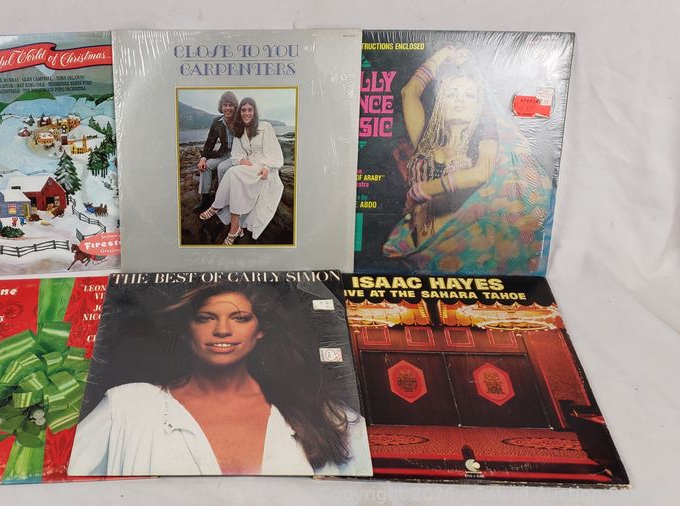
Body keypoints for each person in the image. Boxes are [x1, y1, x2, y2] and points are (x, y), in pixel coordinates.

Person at [66, 284, 370, 476]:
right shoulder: (127, 407)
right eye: (206, 318)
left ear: (260, 330)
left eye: (240, 318)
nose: (222, 330)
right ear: (186, 330)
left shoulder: (326, 414)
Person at [383, 47, 553, 274]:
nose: (459, 101)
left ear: (478, 105)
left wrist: (421, 190)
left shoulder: (485, 141)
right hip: (412, 254)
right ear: (440, 101)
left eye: (469, 95)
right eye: (452, 94)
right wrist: (444, 53)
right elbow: (409, 92)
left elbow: (481, 173)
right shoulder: (423, 139)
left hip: (460, 257)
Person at [199, 98, 285, 245]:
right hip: (248, 166)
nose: (246, 113)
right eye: (243, 110)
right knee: (234, 173)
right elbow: (236, 154)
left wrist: (266, 167)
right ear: (240, 112)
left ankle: (216, 207)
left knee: (233, 173)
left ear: (254, 111)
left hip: (264, 168)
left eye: (250, 110)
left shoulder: (266, 127)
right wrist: (241, 161)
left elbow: (274, 153)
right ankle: (234, 228)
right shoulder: (240, 131)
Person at [193, 91, 238, 213]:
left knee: (221, 168)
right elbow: (210, 141)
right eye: (225, 105)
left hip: (237, 155)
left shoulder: (240, 120)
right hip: (224, 154)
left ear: (235, 106)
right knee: (206, 166)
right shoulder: (217, 122)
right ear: (221, 107)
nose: (227, 108)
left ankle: (222, 201)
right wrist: (203, 158)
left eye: (230, 105)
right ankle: (205, 199)